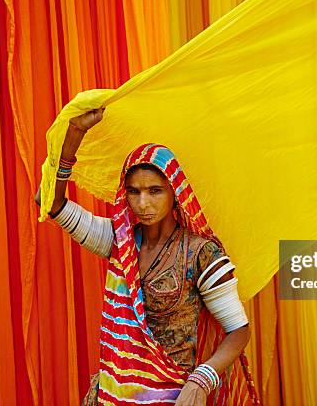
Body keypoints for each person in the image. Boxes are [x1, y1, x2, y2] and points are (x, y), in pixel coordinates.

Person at [35, 108, 259, 405]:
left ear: (174, 192)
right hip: (113, 395)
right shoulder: (119, 241)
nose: (143, 203)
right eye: (134, 191)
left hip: (170, 396)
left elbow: (238, 331)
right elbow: (48, 202)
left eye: (155, 191)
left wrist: (201, 381)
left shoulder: (200, 253)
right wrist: (74, 136)